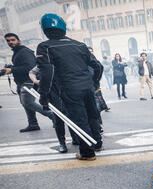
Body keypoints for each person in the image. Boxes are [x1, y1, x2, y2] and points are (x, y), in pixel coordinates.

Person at [36, 13, 103, 161]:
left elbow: (47, 72)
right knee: (93, 115)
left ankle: (87, 153)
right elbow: (98, 66)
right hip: (87, 87)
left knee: (80, 120)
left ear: (45, 30)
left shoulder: (45, 47)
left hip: (69, 89)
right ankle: (97, 143)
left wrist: (43, 94)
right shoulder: (79, 45)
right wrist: (95, 82)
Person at [3, 33, 54, 132]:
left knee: (28, 102)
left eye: (13, 40)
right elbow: (22, 65)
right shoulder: (18, 52)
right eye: (8, 41)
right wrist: (10, 67)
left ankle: (52, 115)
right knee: (25, 103)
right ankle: (33, 124)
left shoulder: (24, 52)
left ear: (19, 40)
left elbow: (29, 67)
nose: (10, 42)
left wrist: (11, 70)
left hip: (28, 81)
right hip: (21, 82)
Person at [29, 65, 80, 153]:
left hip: (67, 89)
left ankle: (75, 138)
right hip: (52, 91)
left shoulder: (63, 57)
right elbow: (32, 72)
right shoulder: (45, 60)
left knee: (70, 115)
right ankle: (62, 143)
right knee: (58, 117)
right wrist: (36, 81)